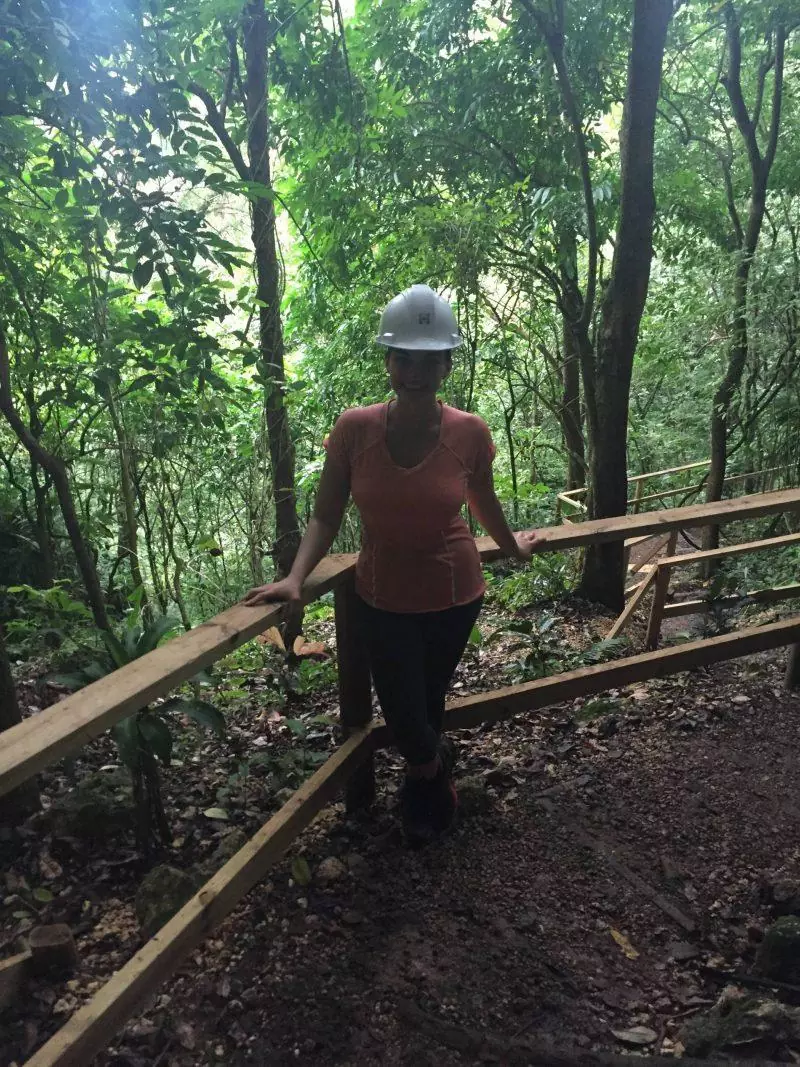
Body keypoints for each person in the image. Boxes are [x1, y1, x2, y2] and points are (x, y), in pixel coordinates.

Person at [242, 284, 546, 846]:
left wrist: (511, 547)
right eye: (404, 356)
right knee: (405, 710)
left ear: (447, 364)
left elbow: (482, 500)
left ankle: (421, 788)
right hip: (380, 595)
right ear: (387, 361)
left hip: (456, 593)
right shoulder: (355, 429)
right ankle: (433, 772)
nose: (415, 370)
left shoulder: (469, 432)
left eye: (429, 359)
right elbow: (325, 514)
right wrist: (295, 578)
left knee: (426, 700)